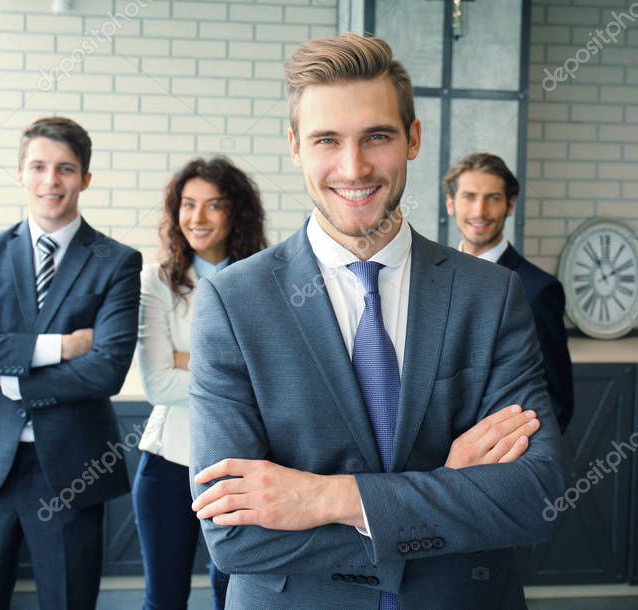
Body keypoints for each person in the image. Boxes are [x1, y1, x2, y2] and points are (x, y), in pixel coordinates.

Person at [188, 34, 565, 609]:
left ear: (412, 139)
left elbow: (535, 497)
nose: (354, 167)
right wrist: (448, 486)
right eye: (326, 140)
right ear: (295, 147)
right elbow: (234, 537)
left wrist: (328, 498)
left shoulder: (491, 294)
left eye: (377, 136)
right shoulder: (233, 302)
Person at [0, 116, 142, 610]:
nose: (51, 181)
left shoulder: (117, 262)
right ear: (21, 173)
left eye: (66, 169)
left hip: (72, 463)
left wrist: (3, 370)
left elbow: (107, 369)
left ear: (85, 178)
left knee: (68, 602)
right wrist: (62, 347)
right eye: (39, 167)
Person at [133, 157, 267, 609]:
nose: (197, 218)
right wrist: (235, 368)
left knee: (232, 593)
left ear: (237, 213)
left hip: (240, 464)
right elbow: (157, 384)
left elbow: (271, 375)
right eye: (188, 205)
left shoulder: (264, 278)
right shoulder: (156, 280)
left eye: (213, 205)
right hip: (168, 462)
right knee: (164, 598)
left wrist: (187, 360)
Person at [444, 153, 574, 433]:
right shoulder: (432, 280)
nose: (480, 211)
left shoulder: (538, 290)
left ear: (510, 205)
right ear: (451, 204)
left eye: (493, 198)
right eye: (469, 196)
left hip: (504, 460)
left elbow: (557, 402)